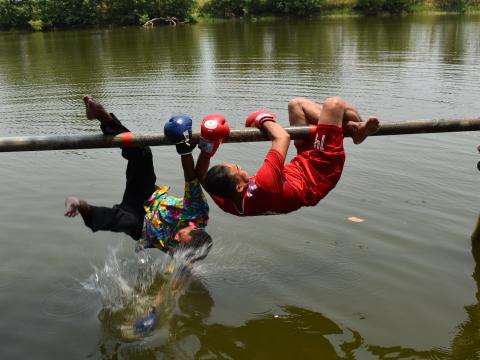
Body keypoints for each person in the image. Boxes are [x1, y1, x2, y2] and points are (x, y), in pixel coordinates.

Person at [64, 96, 229, 261]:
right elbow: (191, 179)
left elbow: (180, 267)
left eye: (178, 244)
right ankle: (102, 116)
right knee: (143, 153)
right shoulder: (198, 211)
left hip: (139, 222)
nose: (175, 239)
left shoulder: (180, 251)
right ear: (194, 229)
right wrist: (184, 149)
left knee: (121, 221)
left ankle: (80, 205)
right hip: (148, 195)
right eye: (180, 235)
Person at [200, 96, 380, 216]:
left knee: (296, 105)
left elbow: (201, 177)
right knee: (335, 105)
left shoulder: (228, 202)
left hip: (302, 163)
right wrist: (263, 119)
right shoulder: (264, 185)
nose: (240, 167)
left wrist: (208, 145)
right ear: (239, 187)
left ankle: (351, 128)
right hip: (320, 171)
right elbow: (281, 137)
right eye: (237, 169)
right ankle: (355, 130)